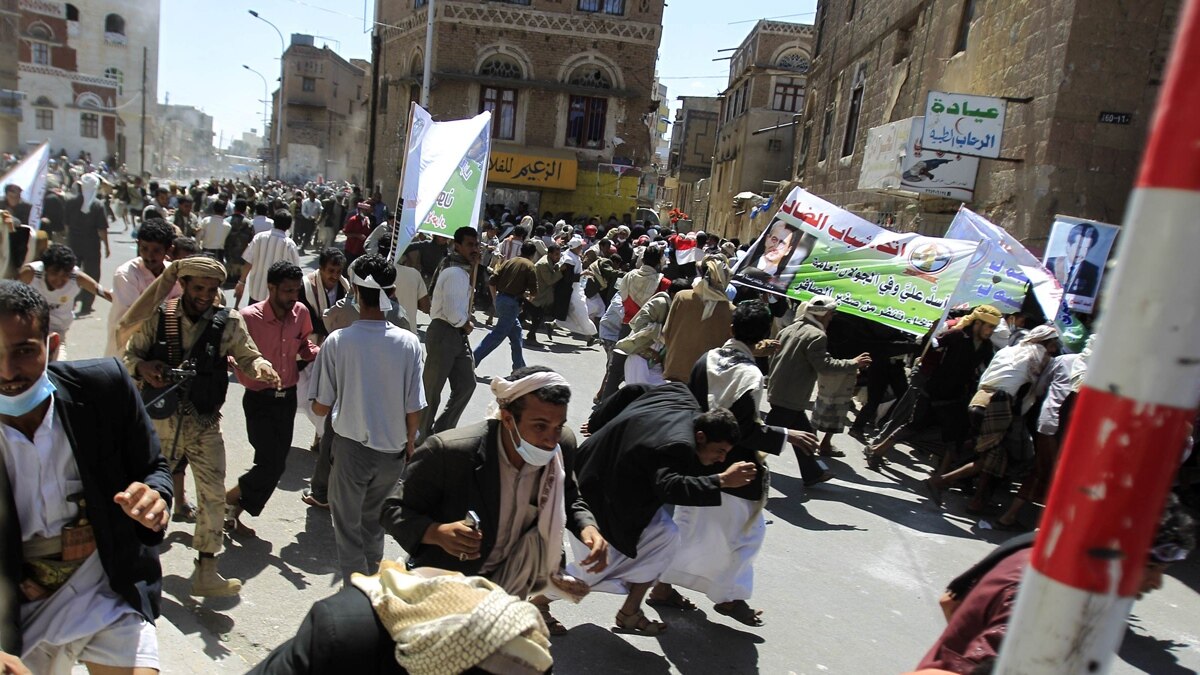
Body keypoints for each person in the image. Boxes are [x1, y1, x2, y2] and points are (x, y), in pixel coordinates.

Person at [0, 280, 172, 673]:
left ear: (53, 345)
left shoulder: (103, 388)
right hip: (14, 606)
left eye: (23, 351)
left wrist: (154, 501)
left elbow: (153, 469)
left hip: (102, 585)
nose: (7, 371)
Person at [382, 366, 606, 633]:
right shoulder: (450, 452)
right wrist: (435, 532)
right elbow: (392, 508)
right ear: (508, 419)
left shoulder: (562, 446)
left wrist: (587, 528)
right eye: (540, 426)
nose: (551, 438)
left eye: (559, 426)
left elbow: (569, 494)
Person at [123, 257, 281, 597]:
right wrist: (145, 367)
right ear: (185, 285)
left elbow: (247, 356)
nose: (205, 295)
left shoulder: (228, 322)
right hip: (161, 422)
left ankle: (206, 570)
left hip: (205, 422)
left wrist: (262, 367)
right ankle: (130, 560)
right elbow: (129, 357)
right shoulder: (160, 316)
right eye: (198, 288)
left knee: (212, 494)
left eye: (212, 290)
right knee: (150, 493)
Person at [654, 300, 818, 626]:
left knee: (689, 528)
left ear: (731, 329)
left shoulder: (707, 359)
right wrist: (787, 435)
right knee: (746, 535)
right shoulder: (750, 374)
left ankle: (662, 586)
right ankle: (730, 597)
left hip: (698, 462)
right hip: (734, 470)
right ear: (762, 338)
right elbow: (743, 430)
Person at [917, 495, 1194, 673]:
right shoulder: (1047, 604)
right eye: (1152, 568)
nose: (1157, 583)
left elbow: (951, 601)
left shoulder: (1040, 548)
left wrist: (961, 637)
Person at [568, 383, 754, 635]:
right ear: (701, 437)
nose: (721, 460)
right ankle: (540, 603)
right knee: (597, 566)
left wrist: (598, 422)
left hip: (599, 464)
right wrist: (721, 480)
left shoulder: (679, 393)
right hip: (599, 490)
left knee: (665, 536)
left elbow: (633, 390)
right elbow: (670, 487)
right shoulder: (679, 446)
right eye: (719, 451)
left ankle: (630, 611)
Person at [309, 254, 426, 584]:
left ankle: (355, 590)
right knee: (373, 520)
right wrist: (409, 443)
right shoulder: (409, 343)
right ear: (391, 293)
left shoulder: (338, 342)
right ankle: (372, 580)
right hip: (393, 452)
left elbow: (320, 407)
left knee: (347, 525)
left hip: (350, 451)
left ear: (356, 293)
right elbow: (414, 407)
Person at [225, 262, 319, 535]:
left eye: (296, 291)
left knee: (275, 465)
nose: (293, 296)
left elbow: (303, 345)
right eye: (287, 291)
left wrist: (320, 351)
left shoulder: (300, 313)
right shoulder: (248, 317)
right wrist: (247, 367)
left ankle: (233, 511)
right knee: (270, 463)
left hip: (286, 398)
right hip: (258, 399)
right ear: (271, 288)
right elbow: (232, 355)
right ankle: (229, 500)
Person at [924, 325, 1061, 513]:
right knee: (991, 457)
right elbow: (1037, 391)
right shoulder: (1038, 355)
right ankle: (941, 481)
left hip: (979, 399)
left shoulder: (1010, 350)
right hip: (999, 403)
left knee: (990, 453)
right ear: (1046, 342)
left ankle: (975, 500)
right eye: (1053, 343)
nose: (1055, 348)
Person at [866, 305, 1001, 471]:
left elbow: (987, 368)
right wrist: (925, 373)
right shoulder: (956, 335)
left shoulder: (986, 347)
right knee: (913, 424)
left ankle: (940, 477)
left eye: (994, 328)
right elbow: (931, 346)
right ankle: (877, 450)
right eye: (990, 326)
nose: (991, 331)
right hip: (932, 390)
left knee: (953, 435)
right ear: (978, 323)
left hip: (955, 395)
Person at [766, 295, 870, 485]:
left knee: (806, 436)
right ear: (823, 315)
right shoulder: (817, 336)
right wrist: (853, 363)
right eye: (830, 316)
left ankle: (812, 473)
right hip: (790, 396)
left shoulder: (790, 329)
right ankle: (741, 463)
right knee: (764, 437)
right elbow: (825, 366)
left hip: (781, 391)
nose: (830, 319)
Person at [422, 226, 479, 439]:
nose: (474, 249)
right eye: (469, 245)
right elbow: (454, 313)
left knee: (467, 384)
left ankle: (440, 432)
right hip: (446, 331)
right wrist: (466, 324)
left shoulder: (465, 268)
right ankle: (419, 436)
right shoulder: (455, 271)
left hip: (457, 335)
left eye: (476, 244)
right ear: (457, 246)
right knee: (432, 390)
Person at [18, 245, 112, 359]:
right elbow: (8, 296)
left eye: (64, 275)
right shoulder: (31, 274)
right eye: (54, 274)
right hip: (29, 332)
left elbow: (101, 291)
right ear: (46, 269)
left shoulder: (76, 278)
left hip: (57, 333)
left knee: (58, 368)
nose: (59, 280)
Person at [661, 255, 735, 383]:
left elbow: (666, 333)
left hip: (676, 370)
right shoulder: (731, 310)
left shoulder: (682, 297)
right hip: (707, 377)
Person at [474, 241, 538, 371]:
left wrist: (494, 299)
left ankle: (520, 369)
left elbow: (492, 281)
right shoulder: (530, 266)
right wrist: (526, 297)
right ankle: (471, 361)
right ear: (533, 254)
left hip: (501, 299)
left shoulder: (510, 261)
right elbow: (534, 293)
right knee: (497, 336)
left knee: (516, 334)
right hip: (512, 303)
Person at [236, 210, 302, 309]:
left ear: (274, 222)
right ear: (288, 226)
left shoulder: (259, 237)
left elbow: (248, 262)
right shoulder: (289, 245)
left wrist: (241, 282)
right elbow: (295, 272)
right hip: (276, 297)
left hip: (256, 292)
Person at [64, 173, 110, 315]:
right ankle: (86, 304)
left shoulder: (71, 202)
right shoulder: (98, 205)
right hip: (91, 246)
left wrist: (68, 240)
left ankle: (71, 299)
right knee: (92, 274)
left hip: (74, 243)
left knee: (72, 272)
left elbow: (66, 225)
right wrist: (107, 246)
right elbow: (102, 229)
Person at [1045, 222, 1101, 298]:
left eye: (1086, 248)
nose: (1081, 253)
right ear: (1068, 246)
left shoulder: (1092, 271)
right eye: (1079, 247)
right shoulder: (1049, 264)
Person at [527, 243, 563, 345]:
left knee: (535, 316)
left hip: (540, 296)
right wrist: (560, 272)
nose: (558, 257)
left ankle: (530, 335)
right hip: (536, 296)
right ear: (550, 254)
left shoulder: (550, 262)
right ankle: (530, 337)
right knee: (536, 316)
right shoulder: (544, 264)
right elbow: (550, 280)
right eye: (556, 254)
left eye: (559, 254)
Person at [224, 199, 255, 283]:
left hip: (228, 257)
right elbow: (252, 241)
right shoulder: (249, 223)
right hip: (242, 258)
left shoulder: (226, 221)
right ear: (245, 209)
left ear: (234, 208)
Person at [342, 201, 372, 266]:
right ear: (360, 210)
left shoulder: (367, 221)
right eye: (365, 210)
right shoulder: (353, 220)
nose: (367, 212)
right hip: (351, 249)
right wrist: (357, 235)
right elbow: (346, 233)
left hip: (361, 250)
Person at [296, 190, 323, 254]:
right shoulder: (305, 202)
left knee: (309, 235)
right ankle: (301, 241)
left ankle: (303, 248)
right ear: (309, 195)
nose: (313, 197)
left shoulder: (318, 202)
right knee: (301, 233)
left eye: (314, 196)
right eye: (312, 196)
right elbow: (303, 211)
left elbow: (320, 209)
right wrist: (308, 217)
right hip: (305, 220)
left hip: (313, 221)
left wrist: (322, 212)